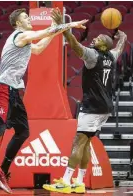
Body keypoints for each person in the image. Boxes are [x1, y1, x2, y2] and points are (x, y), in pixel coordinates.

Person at [0, 8, 88, 193]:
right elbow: (42, 34)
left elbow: (40, 48)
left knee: (23, 132)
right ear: (18, 23)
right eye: (25, 17)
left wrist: (55, 28)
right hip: (3, 87)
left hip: (14, 91)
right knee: (0, 126)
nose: (29, 19)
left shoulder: (25, 41)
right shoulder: (20, 34)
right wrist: (68, 25)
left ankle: (2, 170)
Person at [43, 8, 127, 194]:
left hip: (92, 106)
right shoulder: (111, 57)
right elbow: (120, 47)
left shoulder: (93, 56)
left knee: (77, 142)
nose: (94, 40)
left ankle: (65, 180)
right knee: (86, 142)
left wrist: (62, 26)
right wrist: (123, 37)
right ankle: (79, 181)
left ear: (103, 46)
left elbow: (74, 45)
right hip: (105, 107)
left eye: (98, 40)